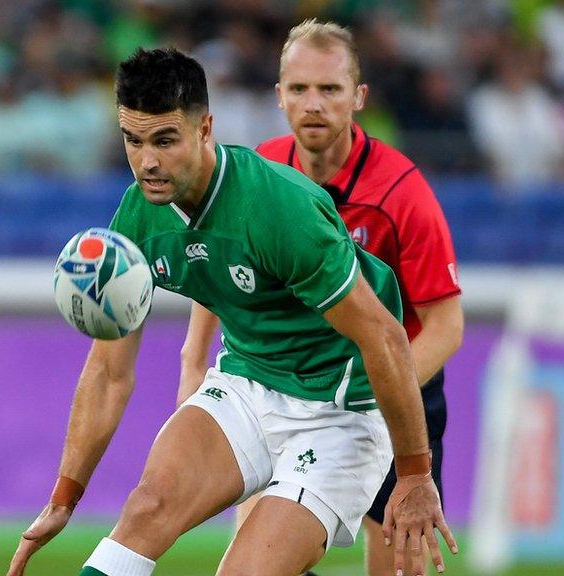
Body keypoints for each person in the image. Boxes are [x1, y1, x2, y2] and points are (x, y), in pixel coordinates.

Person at [7, 47, 456, 576]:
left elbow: (384, 336)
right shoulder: (138, 215)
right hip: (246, 383)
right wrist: (64, 496)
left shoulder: (277, 208)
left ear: (205, 129)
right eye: (134, 140)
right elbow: (108, 372)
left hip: (340, 412)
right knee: (145, 509)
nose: (146, 161)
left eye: (165, 140)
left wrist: (414, 476)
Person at [180, 20, 464, 576]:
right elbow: (221, 267)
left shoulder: (401, 193)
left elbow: (447, 325)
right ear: (279, 94)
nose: (314, 104)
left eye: (330, 89)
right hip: (285, 388)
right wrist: (193, 360)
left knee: (397, 571)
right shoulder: (258, 170)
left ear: (358, 97)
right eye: (300, 88)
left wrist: (382, 394)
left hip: (391, 402)